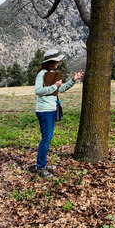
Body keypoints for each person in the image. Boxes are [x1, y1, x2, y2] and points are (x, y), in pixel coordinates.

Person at [33, 49, 84, 178]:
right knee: (46, 138)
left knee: (47, 138)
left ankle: (42, 164)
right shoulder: (42, 74)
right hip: (44, 111)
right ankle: (41, 167)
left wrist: (73, 80)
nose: (59, 62)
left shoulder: (52, 73)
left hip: (51, 109)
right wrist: (54, 87)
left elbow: (60, 89)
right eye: (57, 60)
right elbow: (38, 90)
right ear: (51, 61)